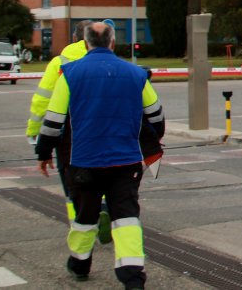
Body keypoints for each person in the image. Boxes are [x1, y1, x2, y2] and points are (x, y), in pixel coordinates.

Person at [36, 22, 165, 289]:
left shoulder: (69, 74)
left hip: (84, 160)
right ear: (113, 42)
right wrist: (154, 139)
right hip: (126, 161)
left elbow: (53, 121)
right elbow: (155, 115)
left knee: (85, 215)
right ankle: (133, 277)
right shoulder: (135, 74)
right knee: (127, 217)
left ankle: (80, 264)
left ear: (86, 44)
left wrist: (44, 152)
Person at [26, 19, 95, 225]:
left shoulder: (59, 63)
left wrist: (34, 131)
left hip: (69, 134)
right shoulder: (109, 61)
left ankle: (79, 223)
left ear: (74, 37)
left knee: (71, 179)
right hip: (104, 131)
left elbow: (42, 101)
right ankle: (101, 209)